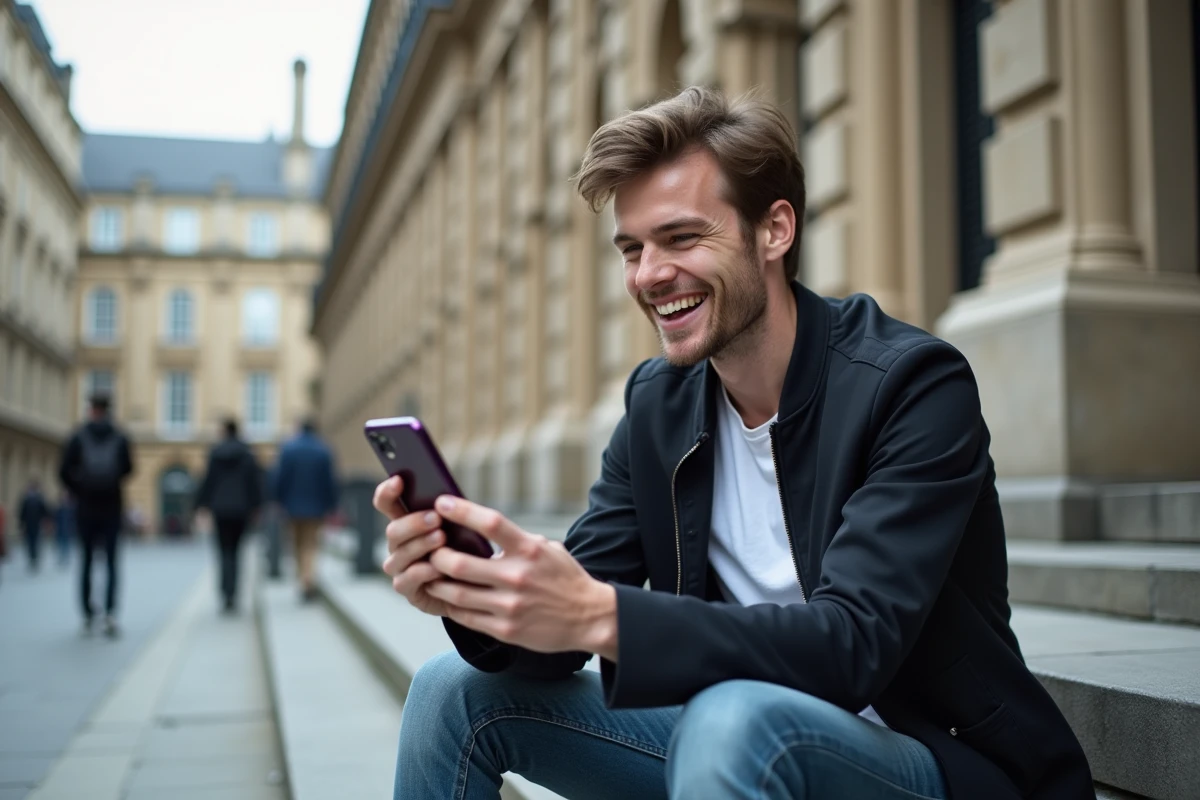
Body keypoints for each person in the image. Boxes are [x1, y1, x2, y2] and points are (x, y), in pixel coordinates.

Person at [374, 87, 1094, 800]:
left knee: (733, 718)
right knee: (451, 694)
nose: (651, 275)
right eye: (633, 249)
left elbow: (852, 646)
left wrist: (601, 614)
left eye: (682, 238)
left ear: (774, 231)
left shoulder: (910, 386)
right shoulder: (658, 405)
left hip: (929, 760)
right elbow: (565, 623)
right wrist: (475, 591)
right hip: (731, 748)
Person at [59, 393, 134, 637]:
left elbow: (63, 471)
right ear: (109, 409)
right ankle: (111, 613)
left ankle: (88, 613)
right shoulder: (120, 436)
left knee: (87, 561)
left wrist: (79, 488)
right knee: (112, 562)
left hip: (86, 506)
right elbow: (129, 469)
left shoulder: (78, 436)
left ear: (91, 409)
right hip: (112, 505)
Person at [195, 418, 264, 613]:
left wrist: (201, 505)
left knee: (223, 551)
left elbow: (208, 480)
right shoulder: (247, 454)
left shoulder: (215, 453)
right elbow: (254, 482)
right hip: (241, 508)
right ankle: (234, 594)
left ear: (225, 431)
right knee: (236, 551)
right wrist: (257, 506)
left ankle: (224, 593)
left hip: (220, 508)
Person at [272, 418, 338, 602]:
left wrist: (277, 500)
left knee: (295, 544)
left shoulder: (288, 449)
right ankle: (308, 580)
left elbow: (280, 478)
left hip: (292, 507)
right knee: (311, 544)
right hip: (316, 507)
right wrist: (332, 505)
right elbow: (330, 481)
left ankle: (302, 579)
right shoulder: (323, 450)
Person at [18, 478, 50, 573]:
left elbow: (45, 511)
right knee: (29, 543)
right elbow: (22, 513)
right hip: (28, 524)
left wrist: (46, 521)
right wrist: (21, 524)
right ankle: (31, 558)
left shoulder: (39, 499)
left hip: (37, 525)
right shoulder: (26, 499)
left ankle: (34, 558)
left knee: (36, 542)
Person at [54, 492, 75, 567]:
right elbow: (55, 519)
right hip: (60, 529)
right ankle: (62, 557)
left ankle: (66, 557)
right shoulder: (59, 509)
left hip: (67, 530)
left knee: (67, 544)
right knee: (60, 544)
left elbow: (73, 519)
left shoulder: (71, 509)